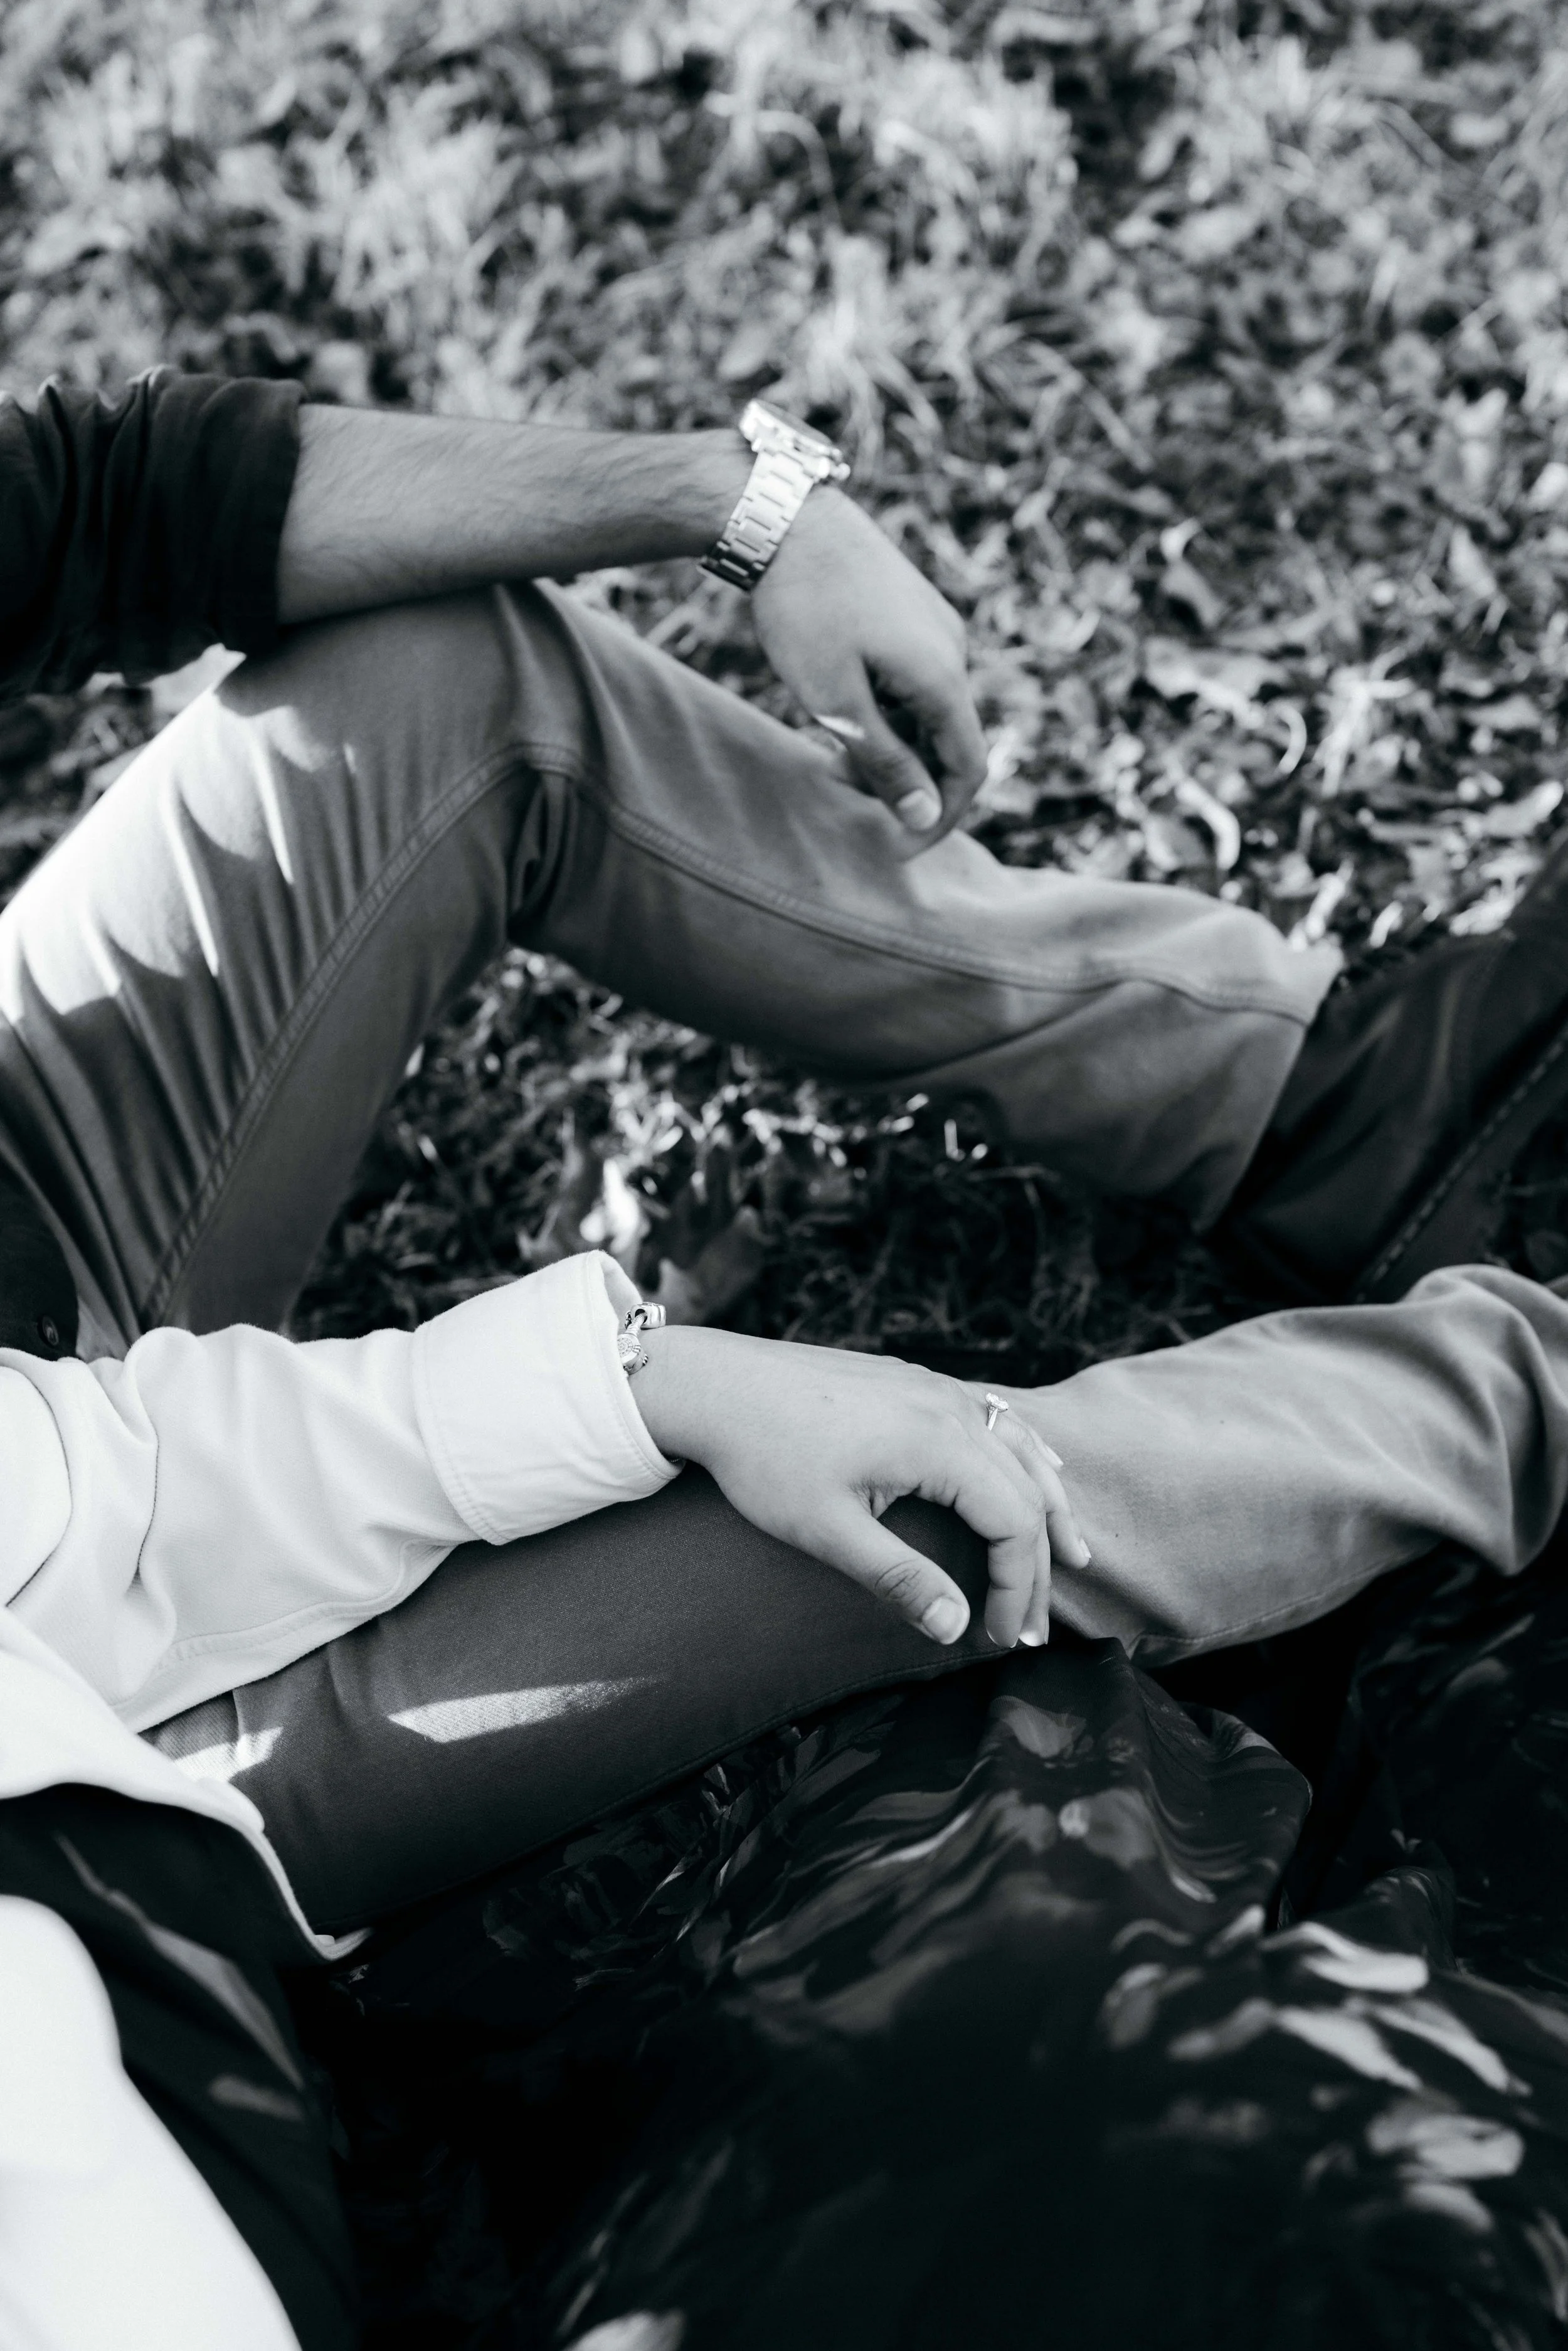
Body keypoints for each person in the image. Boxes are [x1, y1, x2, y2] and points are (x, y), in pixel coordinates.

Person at [2, 366, 1567, 2350]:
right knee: (919, 1519)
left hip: (56, 1413)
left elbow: (113, 501)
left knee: (450, 683)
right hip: (103, 1786)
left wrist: (743, 502)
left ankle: (1333, 1103)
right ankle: (1522, 1387)